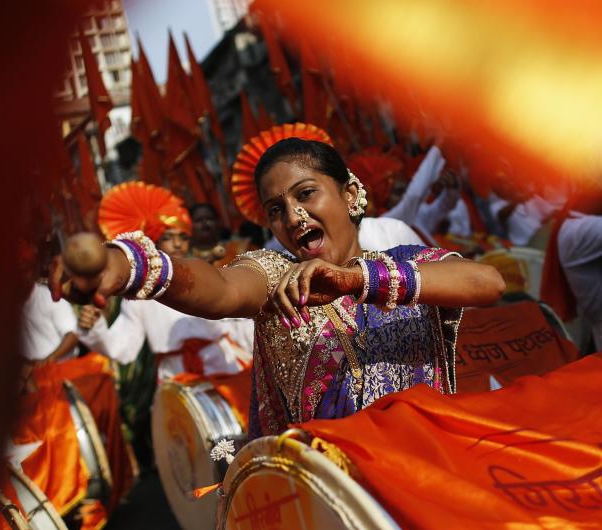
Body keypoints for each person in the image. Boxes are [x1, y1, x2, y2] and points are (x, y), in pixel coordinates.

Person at [53, 138, 504, 437]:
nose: (292, 217)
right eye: (276, 209)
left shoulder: (402, 261)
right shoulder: (275, 276)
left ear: (349, 195)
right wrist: (127, 267)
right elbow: (221, 289)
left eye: (305, 194)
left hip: (433, 473)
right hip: (336, 500)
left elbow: (486, 282)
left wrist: (357, 279)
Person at [77, 182, 254, 380]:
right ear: (155, 241)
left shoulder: (204, 274)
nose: (178, 243)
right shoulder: (140, 295)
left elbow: (235, 323)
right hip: (175, 383)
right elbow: (124, 348)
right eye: (169, 237)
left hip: (224, 367)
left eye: (183, 237)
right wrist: (94, 328)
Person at [188, 203, 253, 267]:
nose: (204, 223)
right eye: (198, 220)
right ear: (190, 225)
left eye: (209, 218)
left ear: (218, 222)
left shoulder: (240, 248)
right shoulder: (186, 260)